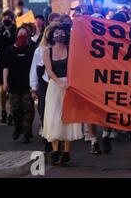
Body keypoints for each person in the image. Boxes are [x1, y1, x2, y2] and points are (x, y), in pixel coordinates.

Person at [42, 24, 83, 165]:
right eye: (57, 32)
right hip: (55, 86)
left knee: (68, 118)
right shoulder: (47, 51)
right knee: (54, 118)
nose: (59, 34)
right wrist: (60, 83)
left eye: (62, 32)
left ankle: (66, 151)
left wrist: (69, 83)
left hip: (69, 86)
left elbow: (76, 67)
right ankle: (55, 150)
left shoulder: (70, 50)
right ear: (52, 35)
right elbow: (49, 71)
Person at [3, 26, 36, 143]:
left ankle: (27, 133)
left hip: (27, 85)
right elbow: (5, 67)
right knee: (15, 109)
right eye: (20, 33)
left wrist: (34, 86)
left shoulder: (31, 50)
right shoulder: (10, 50)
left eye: (24, 34)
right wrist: (5, 81)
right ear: (16, 35)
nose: (22, 36)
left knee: (28, 109)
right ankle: (18, 128)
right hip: (13, 85)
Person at [30, 25, 53, 152]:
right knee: (43, 110)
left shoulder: (60, 49)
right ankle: (47, 135)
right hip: (44, 83)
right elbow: (34, 68)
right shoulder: (39, 50)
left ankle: (55, 138)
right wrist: (33, 87)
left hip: (57, 83)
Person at [0, 10, 17, 125]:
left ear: (12, 19)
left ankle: (12, 113)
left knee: (12, 88)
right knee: (3, 87)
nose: (6, 20)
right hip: (2, 61)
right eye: (4, 18)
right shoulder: (0, 31)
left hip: (13, 61)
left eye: (8, 18)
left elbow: (14, 43)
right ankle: (3, 110)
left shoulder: (16, 30)